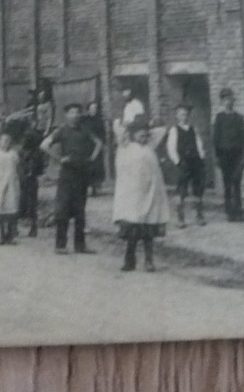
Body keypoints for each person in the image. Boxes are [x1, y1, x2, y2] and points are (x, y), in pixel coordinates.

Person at [112, 114, 171, 271]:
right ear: (131, 134)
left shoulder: (150, 146)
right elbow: (117, 126)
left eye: (145, 131)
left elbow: (162, 130)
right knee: (133, 228)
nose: (143, 134)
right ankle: (129, 259)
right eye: (139, 131)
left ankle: (149, 260)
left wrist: (149, 125)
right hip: (133, 194)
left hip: (151, 193)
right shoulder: (125, 147)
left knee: (149, 230)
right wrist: (128, 125)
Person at [44, 102, 104, 255]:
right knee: (62, 210)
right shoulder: (62, 131)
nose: (75, 115)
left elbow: (99, 143)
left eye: (77, 112)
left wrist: (91, 158)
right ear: (66, 115)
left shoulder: (85, 130)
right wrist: (59, 159)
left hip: (82, 173)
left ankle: (80, 245)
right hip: (67, 174)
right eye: (72, 112)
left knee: (80, 211)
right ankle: (60, 245)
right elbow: (44, 145)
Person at [162, 103, 208, 226]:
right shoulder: (174, 130)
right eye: (182, 114)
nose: (184, 116)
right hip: (183, 163)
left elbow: (199, 144)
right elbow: (171, 148)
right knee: (181, 190)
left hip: (195, 162)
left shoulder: (193, 129)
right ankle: (180, 218)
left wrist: (201, 157)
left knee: (198, 189)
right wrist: (178, 161)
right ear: (177, 116)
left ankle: (199, 216)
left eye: (186, 114)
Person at [212, 88, 244, 222]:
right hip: (224, 154)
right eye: (225, 99)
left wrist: (243, 155)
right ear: (222, 101)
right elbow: (216, 138)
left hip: (237, 154)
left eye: (230, 99)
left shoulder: (239, 117)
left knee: (237, 182)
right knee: (227, 183)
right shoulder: (219, 117)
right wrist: (217, 156)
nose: (228, 102)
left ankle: (238, 211)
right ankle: (229, 212)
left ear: (233, 100)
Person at [82, 99, 109, 196]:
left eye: (95, 108)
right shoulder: (84, 120)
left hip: (97, 147)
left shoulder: (99, 120)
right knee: (87, 166)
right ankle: (87, 187)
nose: (94, 110)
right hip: (87, 146)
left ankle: (95, 188)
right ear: (88, 110)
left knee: (96, 166)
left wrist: (103, 144)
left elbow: (103, 134)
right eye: (91, 108)